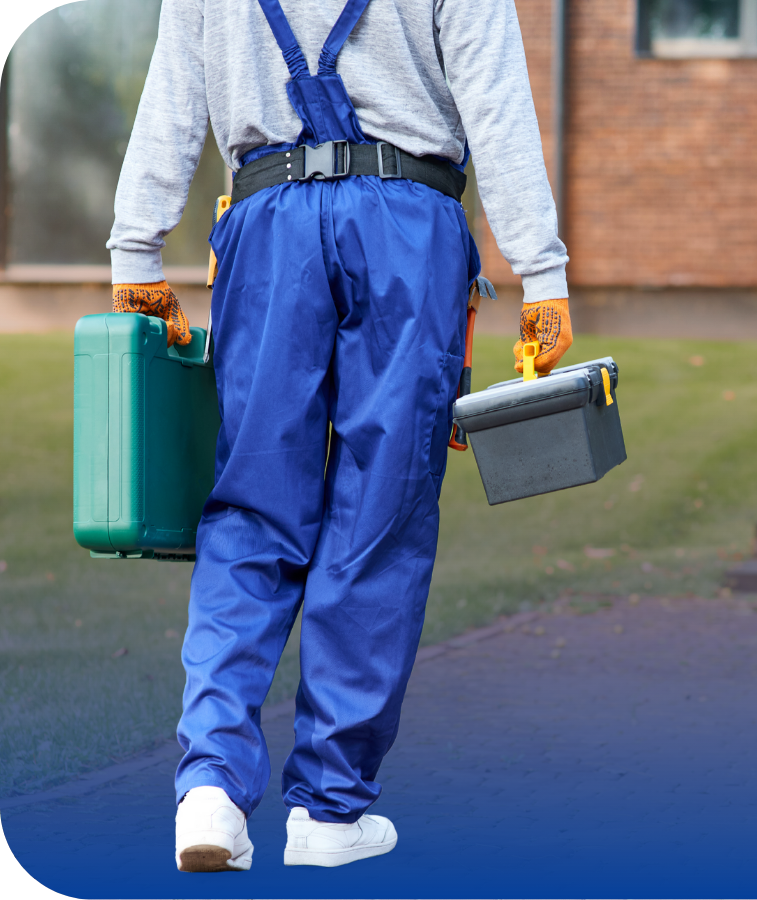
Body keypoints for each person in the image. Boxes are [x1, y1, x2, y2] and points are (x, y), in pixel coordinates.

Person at [107, 0, 571, 872]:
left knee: (250, 510)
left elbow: (174, 85)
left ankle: (209, 787)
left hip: (266, 221)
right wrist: (541, 272)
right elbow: (494, 97)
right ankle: (328, 809)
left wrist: (138, 251)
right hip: (408, 225)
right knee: (379, 518)